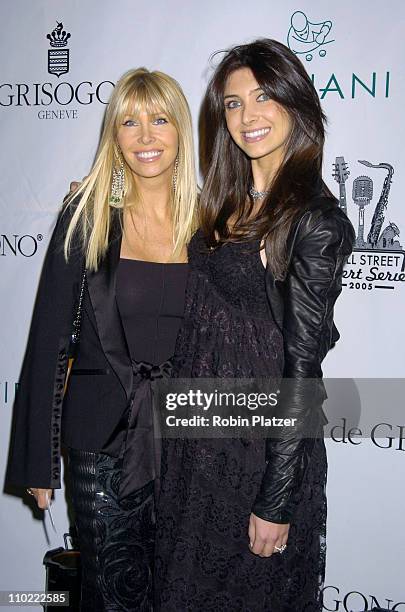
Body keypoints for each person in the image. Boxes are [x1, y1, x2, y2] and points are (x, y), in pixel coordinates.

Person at [154, 39, 355, 611]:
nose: (248, 116)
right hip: (195, 444)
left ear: (296, 104)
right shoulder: (221, 203)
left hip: (255, 454)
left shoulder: (313, 220)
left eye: (264, 96)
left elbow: (302, 369)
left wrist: (276, 498)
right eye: (234, 104)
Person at [6, 67, 198, 611]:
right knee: (113, 596)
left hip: (190, 441)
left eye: (159, 120)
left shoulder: (208, 223)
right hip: (101, 441)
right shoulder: (87, 215)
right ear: (113, 136)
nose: (145, 136)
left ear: (181, 130)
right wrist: (38, 463)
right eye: (129, 122)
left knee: (181, 591)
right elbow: (48, 342)